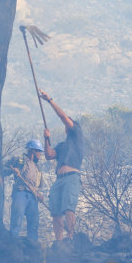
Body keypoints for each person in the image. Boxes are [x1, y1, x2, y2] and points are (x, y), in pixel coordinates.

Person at [38, 90, 86, 242]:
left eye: (69, 123)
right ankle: (59, 242)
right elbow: (49, 155)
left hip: (72, 177)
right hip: (59, 179)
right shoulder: (62, 145)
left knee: (68, 208)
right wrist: (46, 139)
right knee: (56, 212)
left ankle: (71, 238)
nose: (67, 125)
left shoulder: (77, 135)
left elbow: (63, 117)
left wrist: (49, 100)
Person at [9, 139, 45, 242]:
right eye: (39, 152)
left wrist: (39, 195)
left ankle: (33, 246)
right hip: (20, 193)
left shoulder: (38, 168)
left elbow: (38, 186)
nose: (40, 155)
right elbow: (6, 166)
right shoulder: (20, 160)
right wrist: (14, 169)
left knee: (33, 224)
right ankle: (12, 243)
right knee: (16, 221)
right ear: (33, 151)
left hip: (33, 197)